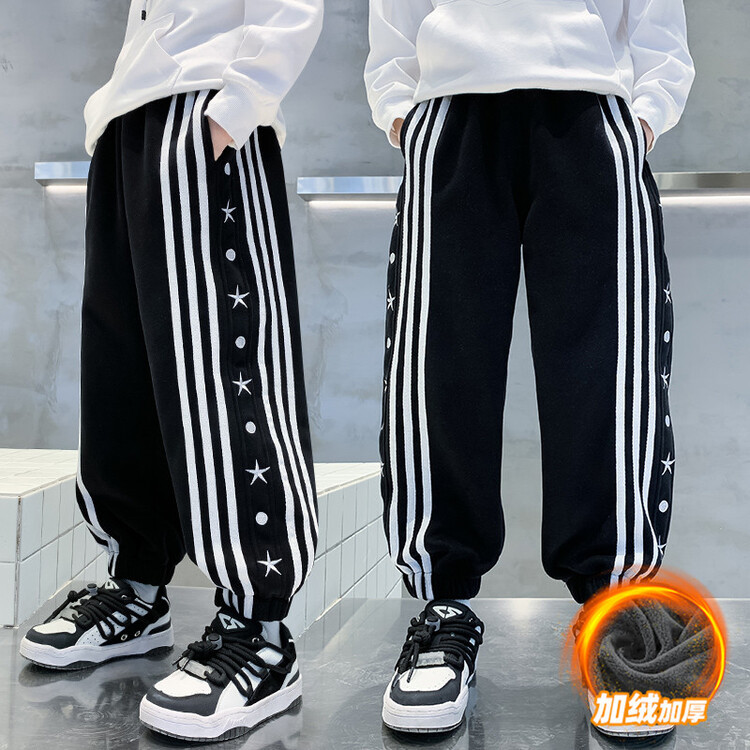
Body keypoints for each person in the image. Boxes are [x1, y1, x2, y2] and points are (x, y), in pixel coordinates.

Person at [364, 0, 694, 735]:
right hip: (450, 111)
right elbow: (393, 17)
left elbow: (657, 22)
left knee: (610, 371)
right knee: (435, 366)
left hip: (591, 110)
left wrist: (643, 117)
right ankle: (443, 607)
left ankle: (616, 609)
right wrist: (400, 111)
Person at [19, 0, 323, 742]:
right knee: (122, 369)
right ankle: (137, 587)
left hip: (206, 109)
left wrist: (238, 104)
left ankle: (261, 630)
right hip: (129, 114)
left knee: (226, 364)